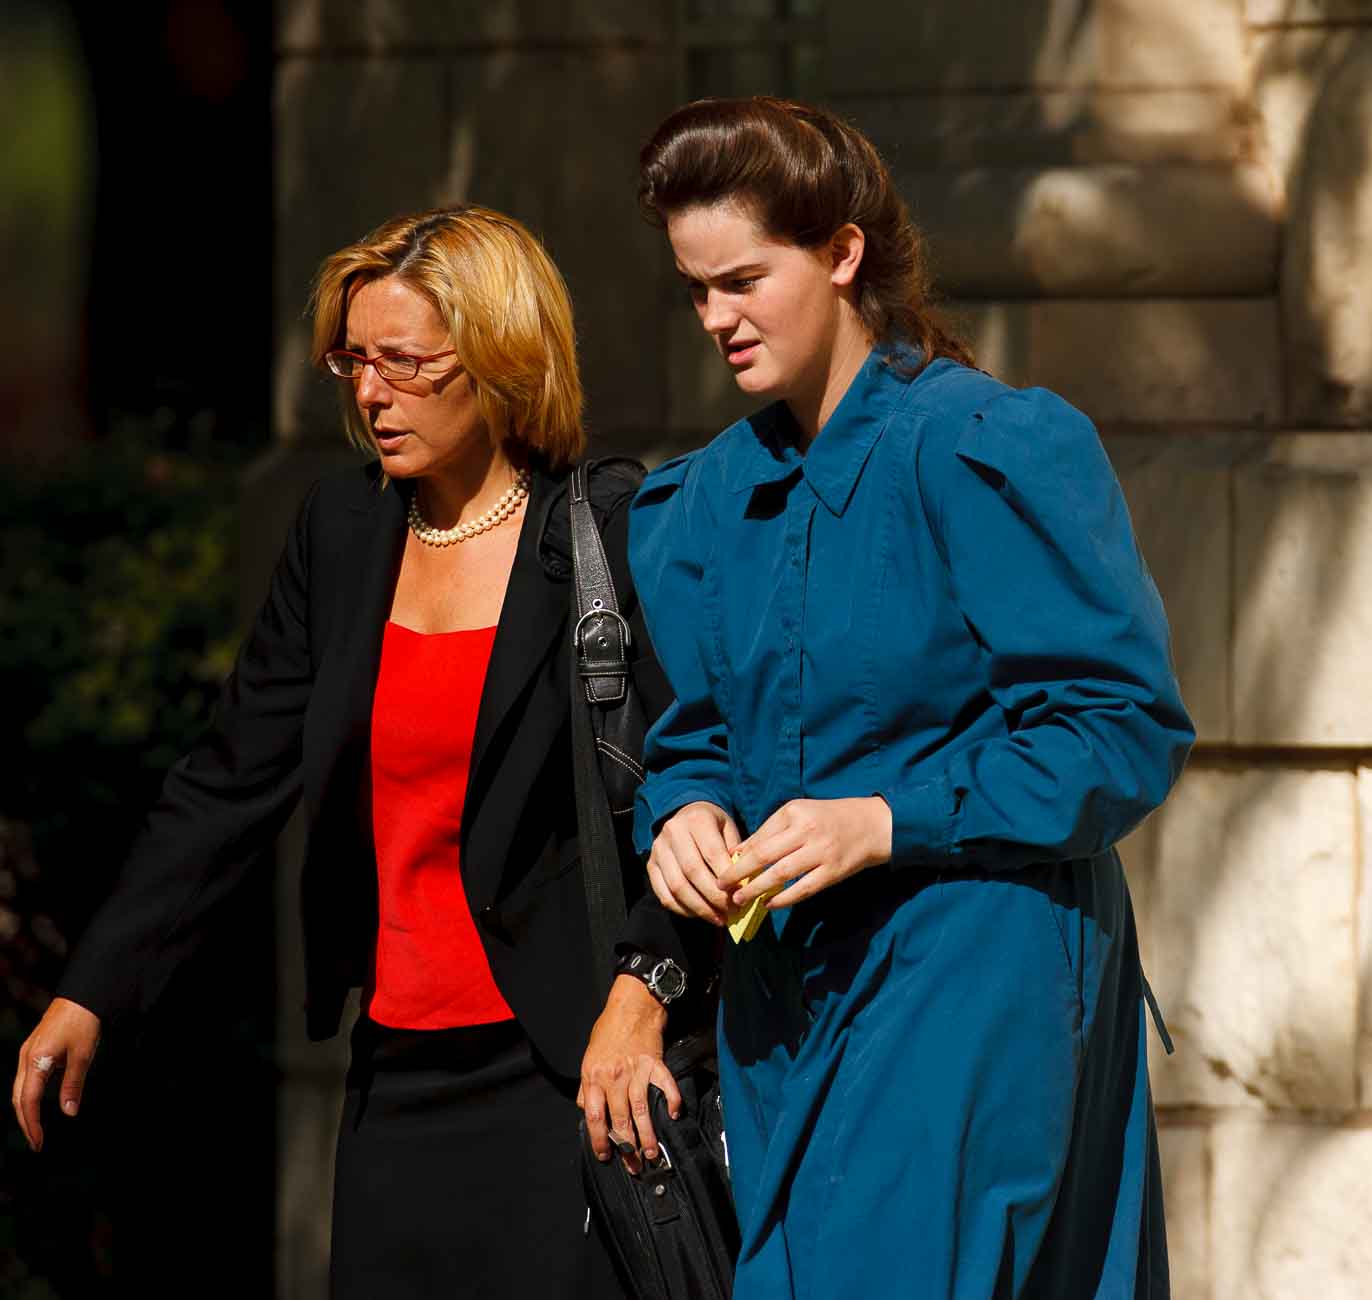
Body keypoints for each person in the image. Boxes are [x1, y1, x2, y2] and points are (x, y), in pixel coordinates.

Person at [9, 204, 716, 1298]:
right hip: (392, 1077)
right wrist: (93, 988)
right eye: (353, 361)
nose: (370, 393)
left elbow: (702, 779)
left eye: (403, 362)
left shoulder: (608, 534)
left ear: (498, 358)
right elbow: (227, 782)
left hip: (567, 1072)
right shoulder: (339, 536)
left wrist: (645, 987)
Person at [629, 98, 1195, 1300]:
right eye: (695, 289)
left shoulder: (989, 446)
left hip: (975, 974)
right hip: (783, 1012)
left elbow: (1122, 728)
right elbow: (696, 740)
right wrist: (680, 814)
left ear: (841, 253)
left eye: (742, 279)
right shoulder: (702, 504)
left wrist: (884, 817)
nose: (717, 319)